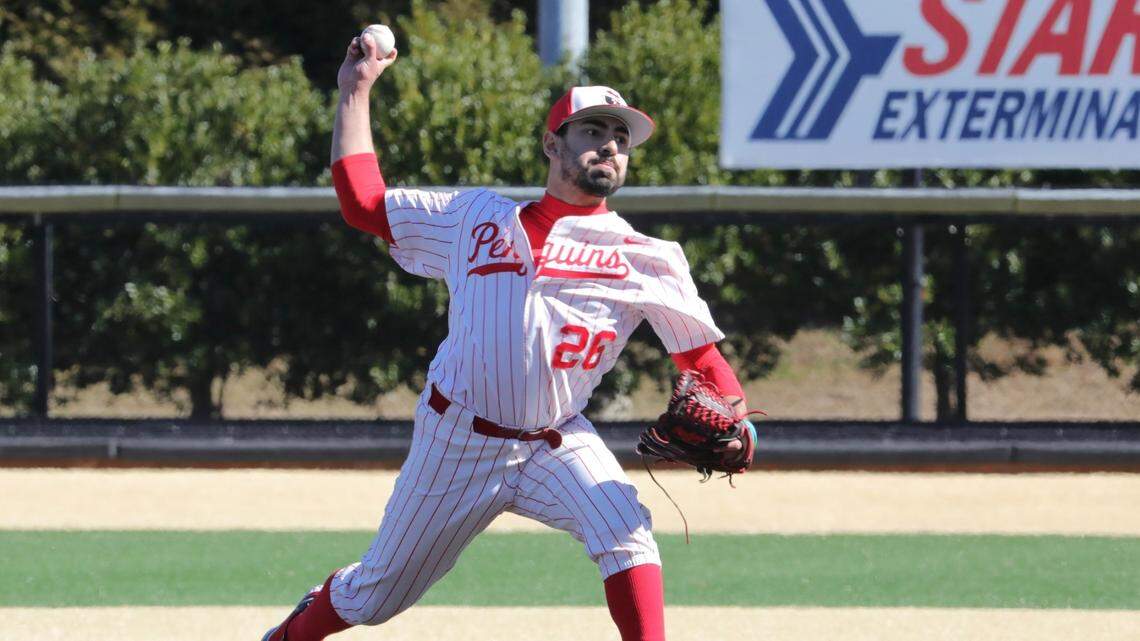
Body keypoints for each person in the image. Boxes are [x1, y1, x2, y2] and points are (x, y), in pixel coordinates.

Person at [262, 30, 755, 641]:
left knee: (626, 532)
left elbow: (700, 357)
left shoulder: (646, 256)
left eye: (621, 137)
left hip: (556, 439)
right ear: (552, 144)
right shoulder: (474, 217)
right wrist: (355, 89)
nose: (610, 146)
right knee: (376, 593)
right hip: (457, 437)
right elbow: (363, 202)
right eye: (593, 131)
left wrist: (738, 419)